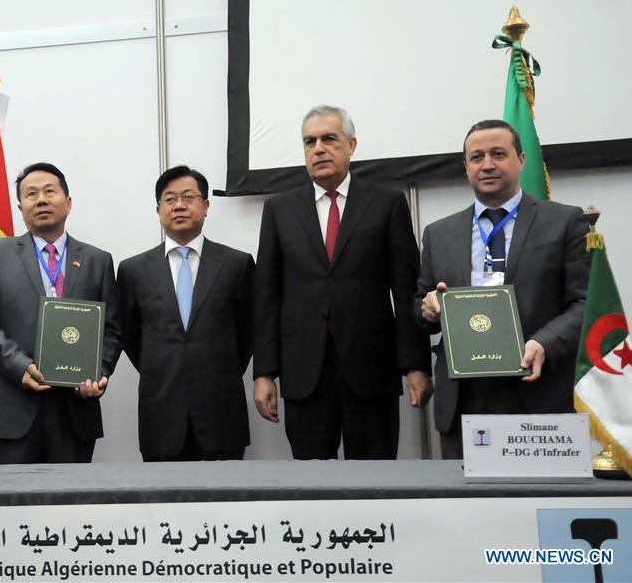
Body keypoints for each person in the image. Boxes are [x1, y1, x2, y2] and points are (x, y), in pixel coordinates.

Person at [252, 105, 432, 460]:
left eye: (328, 139)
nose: (318, 148)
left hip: (371, 371)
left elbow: (406, 287)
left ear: (351, 144)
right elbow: (267, 297)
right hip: (304, 373)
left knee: (375, 481)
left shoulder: (387, 203)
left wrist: (416, 364)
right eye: (309, 142)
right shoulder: (279, 210)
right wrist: (264, 372)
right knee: (311, 487)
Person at [415, 119, 591, 458]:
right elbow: (419, 303)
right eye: (477, 157)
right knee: (466, 509)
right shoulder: (438, 233)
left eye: (498, 154)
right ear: (466, 167)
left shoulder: (565, 222)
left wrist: (544, 342)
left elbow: (586, 302)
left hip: (538, 394)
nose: (488, 165)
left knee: (536, 505)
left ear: (521, 160)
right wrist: (427, 308)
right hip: (463, 400)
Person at [0, 162, 121, 464]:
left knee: (71, 508)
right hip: (12, 406)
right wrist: (19, 366)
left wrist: (98, 372)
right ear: (21, 208)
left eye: (50, 191)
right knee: (13, 506)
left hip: (75, 410)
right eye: (31, 194)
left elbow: (112, 329)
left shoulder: (98, 260)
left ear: (68, 202)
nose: (42, 199)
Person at [117, 165, 254, 461]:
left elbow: (247, 333)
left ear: (205, 206)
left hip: (222, 412)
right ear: (158, 210)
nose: (179, 205)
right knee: (164, 506)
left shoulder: (237, 264)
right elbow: (129, 335)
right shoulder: (133, 270)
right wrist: (166, 365)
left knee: (227, 505)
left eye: (188, 197)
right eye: (170, 199)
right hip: (161, 412)